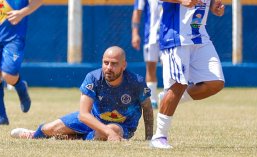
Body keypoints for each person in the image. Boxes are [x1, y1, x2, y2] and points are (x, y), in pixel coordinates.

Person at [146, 0, 225, 150]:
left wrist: (213, 5)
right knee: (178, 84)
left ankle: (169, 99)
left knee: (215, 82)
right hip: (176, 33)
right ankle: (159, 138)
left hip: (199, 33)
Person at [10, 46, 154, 141]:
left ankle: (77, 136)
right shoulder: (93, 78)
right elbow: (83, 115)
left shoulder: (136, 82)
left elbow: (147, 109)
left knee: (113, 129)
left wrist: (149, 138)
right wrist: (109, 134)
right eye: (106, 62)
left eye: (114, 63)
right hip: (92, 119)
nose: (109, 67)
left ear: (124, 65)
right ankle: (33, 135)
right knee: (49, 129)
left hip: (121, 126)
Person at [131, 0, 163, 109]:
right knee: (151, 66)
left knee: (170, 67)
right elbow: (137, 12)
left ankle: (169, 96)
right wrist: (135, 33)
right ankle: (153, 98)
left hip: (169, 35)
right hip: (151, 36)